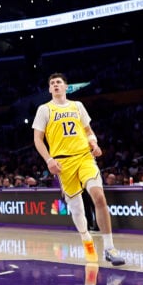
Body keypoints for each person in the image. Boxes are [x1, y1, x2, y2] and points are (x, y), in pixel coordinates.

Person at [32, 73, 125, 265]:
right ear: (49, 89)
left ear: (66, 87)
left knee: (99, 196)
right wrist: (49, 160)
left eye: (59, 82)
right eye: (52, 83)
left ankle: (110, 248)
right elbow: (37, 139)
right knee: (77, 209)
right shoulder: (44, 109)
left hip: (84, 157)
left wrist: (94, 144)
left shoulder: (77, 106)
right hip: (63, 163)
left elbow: (88, 131)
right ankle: (86, 240)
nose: (55, 85)